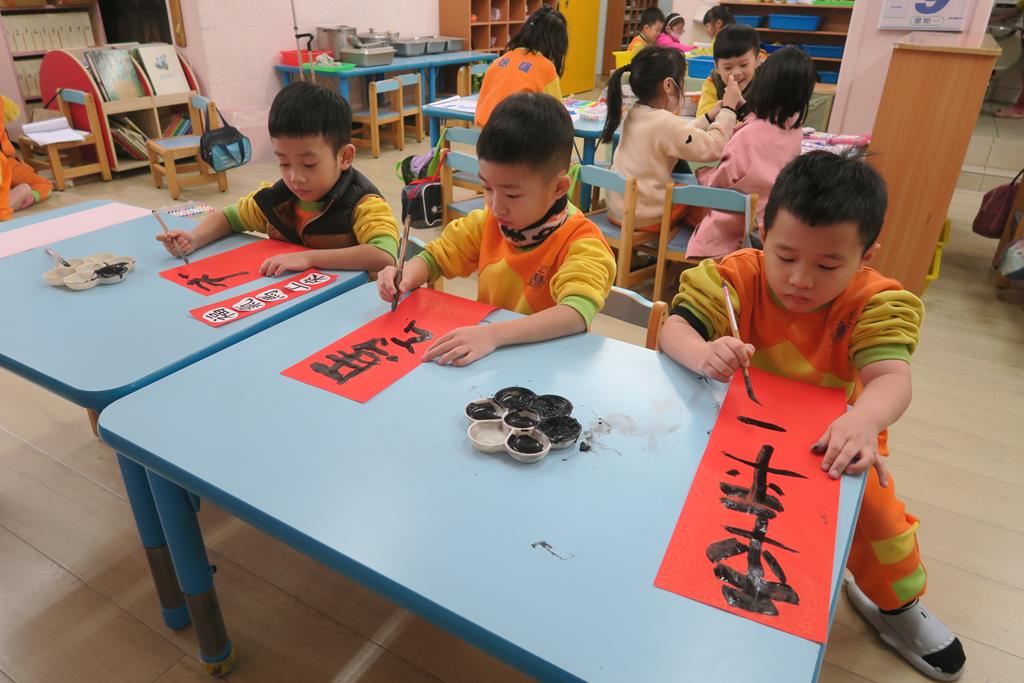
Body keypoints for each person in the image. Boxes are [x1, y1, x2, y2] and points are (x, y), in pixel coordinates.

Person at [659, 149, 966, 683]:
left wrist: (863, 420)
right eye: (785, 256)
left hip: (834, 436)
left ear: (866, 256)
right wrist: (703, 353)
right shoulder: (736, 277)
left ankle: (898, 607)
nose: (800, 279)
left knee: (876, 516)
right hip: (736, 426)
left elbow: (891, 379)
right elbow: (674, 328)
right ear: (762, 230)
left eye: (827, 266)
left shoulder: (872, 303)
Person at [378, 92, 616, 367]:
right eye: (487, 187)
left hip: (545, 369)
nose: (496, 206)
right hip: (486, 359)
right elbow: (436, 258)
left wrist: (493, 335)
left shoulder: (582, 242)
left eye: (512, 195)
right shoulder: (487, 223)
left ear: (558, 188)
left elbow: (575, 314)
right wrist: (406, 275)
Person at [157, 82, 398, 276]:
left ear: (345, 157)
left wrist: (309, 258)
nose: (295, 177)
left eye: (309, 164)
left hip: (348, 304)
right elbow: (229, 218)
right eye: (284, 163)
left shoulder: (364, 204)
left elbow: (384, 255)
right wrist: (194, 238)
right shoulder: (276, 199)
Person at [687, 47, 816, 258]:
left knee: (683, 193)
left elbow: (718, 185)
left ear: (763, 81)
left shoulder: (747, 138)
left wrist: (703, 174)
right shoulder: (793, 127)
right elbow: (762, 123)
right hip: (767, 222)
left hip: (730, 232)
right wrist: (740, 106)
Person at [601, 46, 740, 231]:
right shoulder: (665, 123)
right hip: (644, 216)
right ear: (668, 85)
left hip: (619, 209)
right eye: (681, 83)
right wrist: (729, 109)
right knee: (703, 202)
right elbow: (713, 147)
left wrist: (707, 118)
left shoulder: (635, 113)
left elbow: (677, 135)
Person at [474, 5, 567, 127]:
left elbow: (482, 108)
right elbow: (558, 116)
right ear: (556, 43)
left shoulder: (499, 62)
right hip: (520, 136)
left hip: (486, 133)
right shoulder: (546, 68)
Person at [1, 95, 53, 221]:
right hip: (6, 161)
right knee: (42, 185)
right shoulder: (2, 102)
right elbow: (14, 112)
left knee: (41, 185)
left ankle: (7, 203)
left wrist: (31, 196)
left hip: (7, 162)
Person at [696, 24, 762, 120]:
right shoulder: (713, 83)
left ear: (757, 61)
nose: (736, 73)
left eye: (743, 65)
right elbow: (703, 118)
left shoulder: (765, 83)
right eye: (728, 67)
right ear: (717, 67)